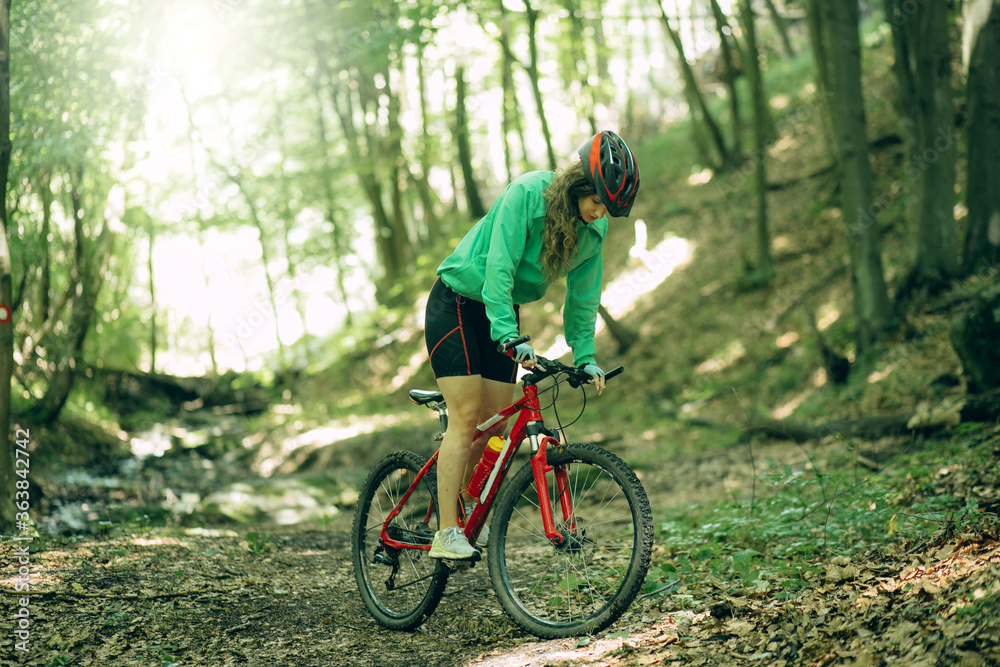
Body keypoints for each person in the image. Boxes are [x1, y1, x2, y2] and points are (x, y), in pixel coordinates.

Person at [423, 130, 641, 559]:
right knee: (466, 418)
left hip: (503, 312)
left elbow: (583, 301)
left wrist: (586, 358)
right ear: (579, 186)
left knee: (497, 426)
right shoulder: (526, 194)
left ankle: (466, 507)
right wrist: (505, 333)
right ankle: (445, 531)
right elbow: (498, 270)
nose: (600, 214)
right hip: (459, 302)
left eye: (608, 210)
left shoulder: (592, 234)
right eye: (597, 202)